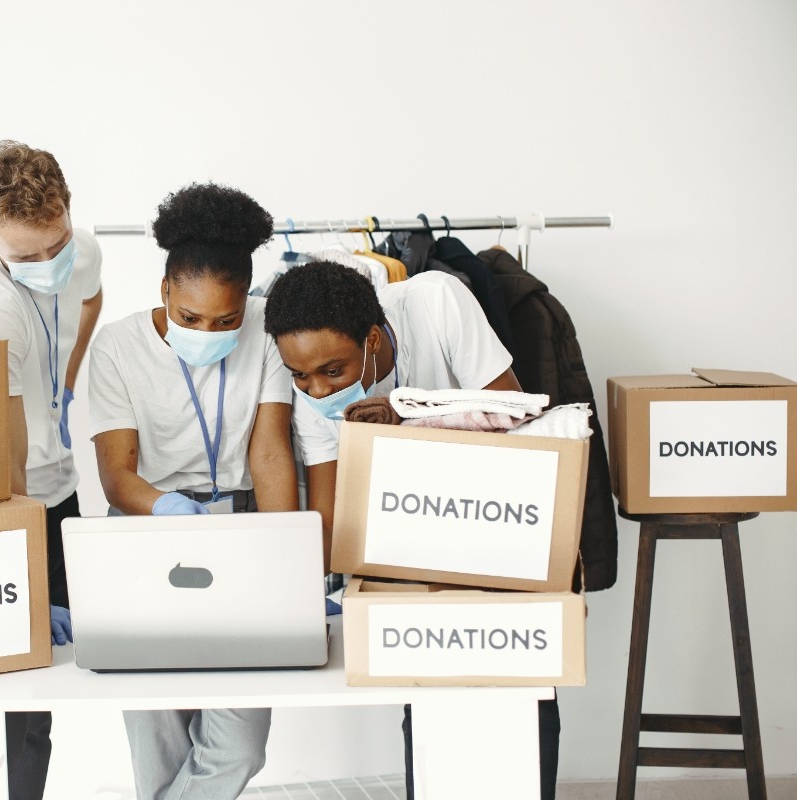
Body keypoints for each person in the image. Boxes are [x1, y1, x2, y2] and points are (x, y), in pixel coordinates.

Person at [262, 260, 559, 800]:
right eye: (299, 375)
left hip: (501, 528)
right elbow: (334, 524)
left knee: (521, 703)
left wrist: (410, 419)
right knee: (427, 708)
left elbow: (516, 420)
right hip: (415, 546)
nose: (317, 388)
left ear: (373, 340)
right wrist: (316, 588)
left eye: (333, 370)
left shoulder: (435, 302)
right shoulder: (313, 404)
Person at [87, 182, 298, 799]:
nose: (209, 331)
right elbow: (117, 476)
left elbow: (268, 450)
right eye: (190, 318)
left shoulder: (266, 332)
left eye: (226, 319)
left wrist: (288, 554)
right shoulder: (118, 348)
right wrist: (177, 512)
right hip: (147, 531)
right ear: (164, 291)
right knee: (160, 740)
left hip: (241, 527)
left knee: (239, 744)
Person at [0, 140, 102, 800]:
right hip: (8, 495)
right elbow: (1, 457)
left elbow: (90, 300)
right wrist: (23, 572)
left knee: (79, 657)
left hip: (63, 483)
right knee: (27, 683)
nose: (49, 264)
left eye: (55, 244)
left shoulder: (83, 248)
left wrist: (63, 386)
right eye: (25, 256)